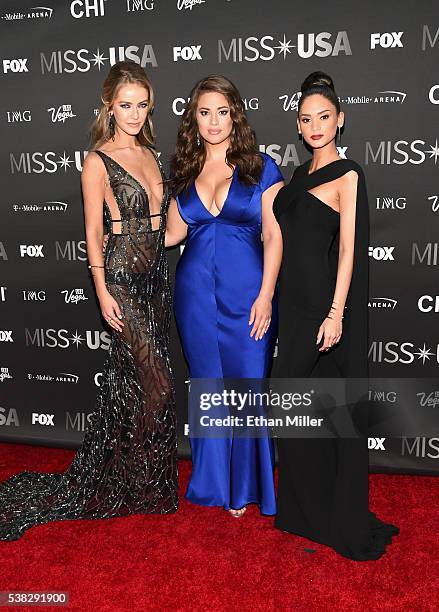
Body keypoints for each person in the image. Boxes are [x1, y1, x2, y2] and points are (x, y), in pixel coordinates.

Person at [0, 60, 178, 542]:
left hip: (157, 282)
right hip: (121, 279)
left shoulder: (152, 153)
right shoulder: (97, 160)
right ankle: (133, 478)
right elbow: (93, 233)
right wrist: (101, 291)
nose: (135, 114)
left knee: (147, 387)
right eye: (126, 105)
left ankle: (138, 479)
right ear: (109, 106)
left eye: (143, 105)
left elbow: (172, 226)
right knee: (158, 384)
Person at [272, 71, 399, 560]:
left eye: (324, 117)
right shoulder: (299, 176)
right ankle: (306, 511)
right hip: (294, 305)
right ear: (299, 126)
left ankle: (336, 513)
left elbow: (349, 250)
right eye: (306, 119)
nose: (315, 126)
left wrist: (337, 313)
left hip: (325, 310)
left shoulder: (348, 174)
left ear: (340, 120)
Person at [166, 75, 284, 517]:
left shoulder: (260, 166)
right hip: (195, 295)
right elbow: (174, 234)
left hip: (248, 291)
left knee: (248, 383)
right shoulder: (184, 172)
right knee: (210, 386)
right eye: (204, 112)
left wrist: (267, 294)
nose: (213, 122)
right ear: (193, 119)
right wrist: (128, 221)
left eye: (221, 111)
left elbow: (273, 235)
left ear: (235, 113)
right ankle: (214, 482)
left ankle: (247, 487)